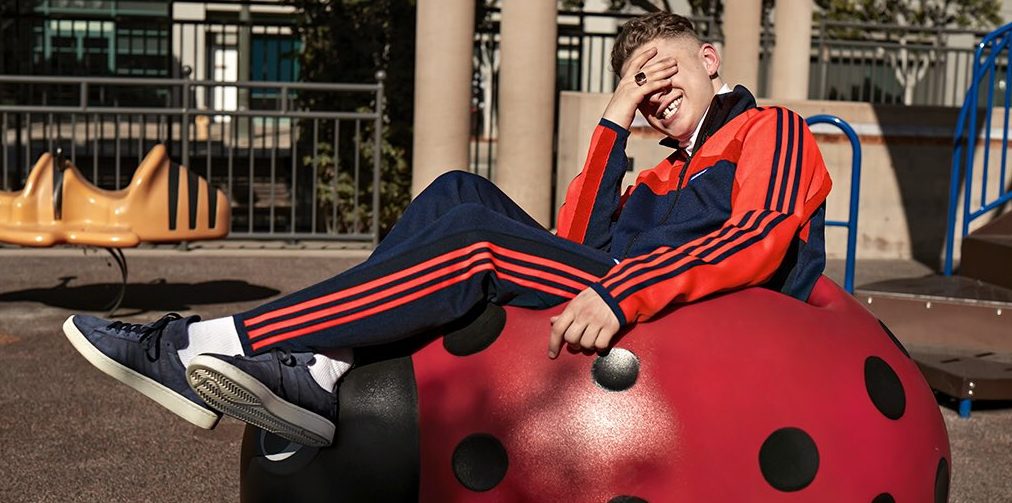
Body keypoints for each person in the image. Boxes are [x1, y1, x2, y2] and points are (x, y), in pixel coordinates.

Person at [62, 12, 831, 448]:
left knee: (475, 239)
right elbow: (576, 243)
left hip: (696, 320)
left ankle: (205, 341)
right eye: (640, 81)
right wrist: (614, 116)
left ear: (709, 58)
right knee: (458, 191)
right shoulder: (658, 175)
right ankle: (322, 366)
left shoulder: (772, 130)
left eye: (665, 70)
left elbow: (757, 234)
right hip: (629, 298)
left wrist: (622, 290)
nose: (656, 92)